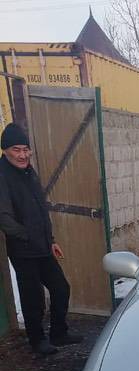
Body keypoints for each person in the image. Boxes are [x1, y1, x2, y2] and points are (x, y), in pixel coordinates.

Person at [0, 122, 82, 356]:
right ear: (5, 150)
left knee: (60, 288)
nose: (22, 155)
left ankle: (59, 333)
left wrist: (50, 239)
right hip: (23, 249)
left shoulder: (29, 172)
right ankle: (37, 341)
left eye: (26, 149)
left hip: (43, 245)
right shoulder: (3, 176)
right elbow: (3, 217)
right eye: (16, 150)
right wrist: (27, 236)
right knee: (32, 297)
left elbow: (40, 210)